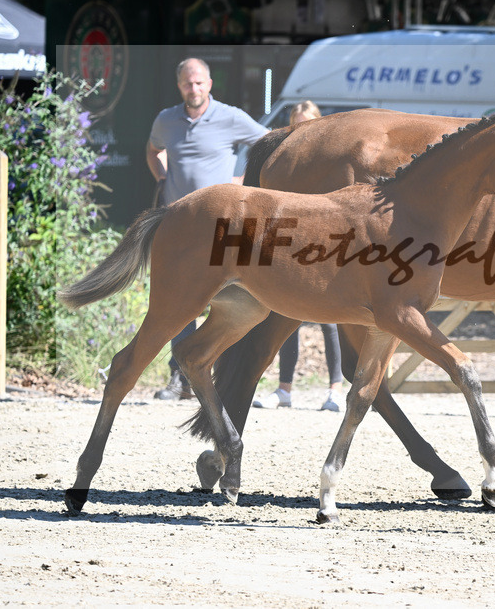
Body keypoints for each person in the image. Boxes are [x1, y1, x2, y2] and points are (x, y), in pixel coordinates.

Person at [147, 57, 269, 400]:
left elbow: (267, 142)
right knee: (178, 302)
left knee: (240, 301)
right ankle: (180, 378)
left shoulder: (229, 117)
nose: (194, 88)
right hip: (178, 229)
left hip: (222, 229)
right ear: (179, 85)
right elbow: (153, 150)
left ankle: (234, 378)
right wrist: (161, 176)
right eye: (188, 83)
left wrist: (243, 183)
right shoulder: (166, 120)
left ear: (210, 84)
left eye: (199, 82)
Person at [253, 101, 347, 412]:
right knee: (284, 311)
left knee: (331, 319)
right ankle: (284, 389)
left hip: (323, 241)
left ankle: (336, 389)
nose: (299, 132)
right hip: (292, 242)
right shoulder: (287, 163)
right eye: (295, 126)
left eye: (306, 125)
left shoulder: (329, 161)